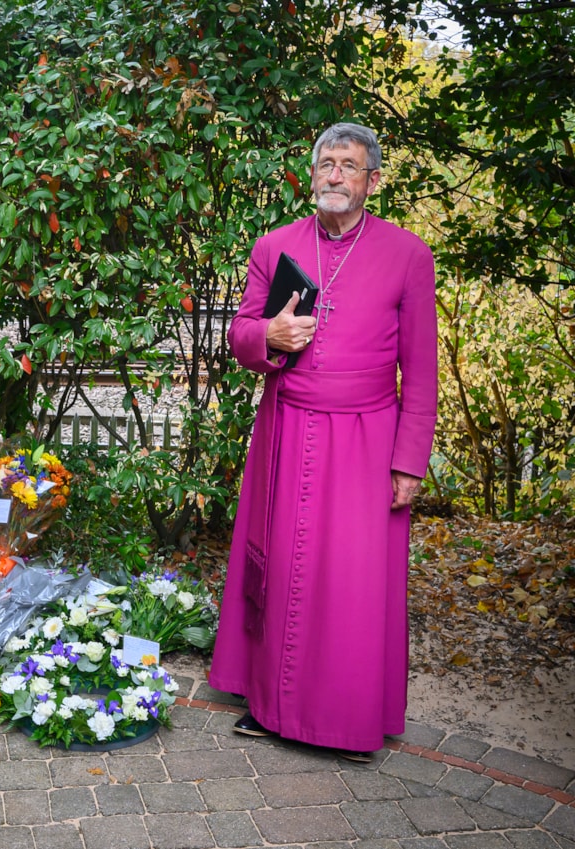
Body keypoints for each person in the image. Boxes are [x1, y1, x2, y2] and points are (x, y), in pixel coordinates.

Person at [207, 122, 438, 762]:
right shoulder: (276, 245)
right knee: (279, 567)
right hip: (287, 427)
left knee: (351, 579)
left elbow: (421, 371)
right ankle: (269, 704)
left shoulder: (408, 255)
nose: (335, 174)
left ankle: (344, 717)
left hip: (367, 439)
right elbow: (242, 335)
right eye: (326, 163)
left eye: (349, 165)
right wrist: (268, 339)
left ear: (373, 180)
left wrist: (409, 462)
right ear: (313, 174)